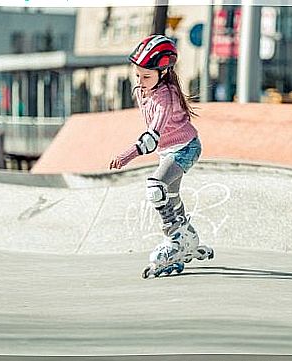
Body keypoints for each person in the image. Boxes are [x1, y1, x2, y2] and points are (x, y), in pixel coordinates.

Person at [109, 34, 214, 278]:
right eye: (137, 75)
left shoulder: (166, 97)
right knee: (171, 194)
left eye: (146, 76)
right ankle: (186, 236)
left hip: (185, 148)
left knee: (156, 187)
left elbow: (152, 136)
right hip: (169, 150)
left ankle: (174, 240)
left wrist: (126, 156)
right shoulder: (142, 91)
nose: (141, 81)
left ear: (163, 73)